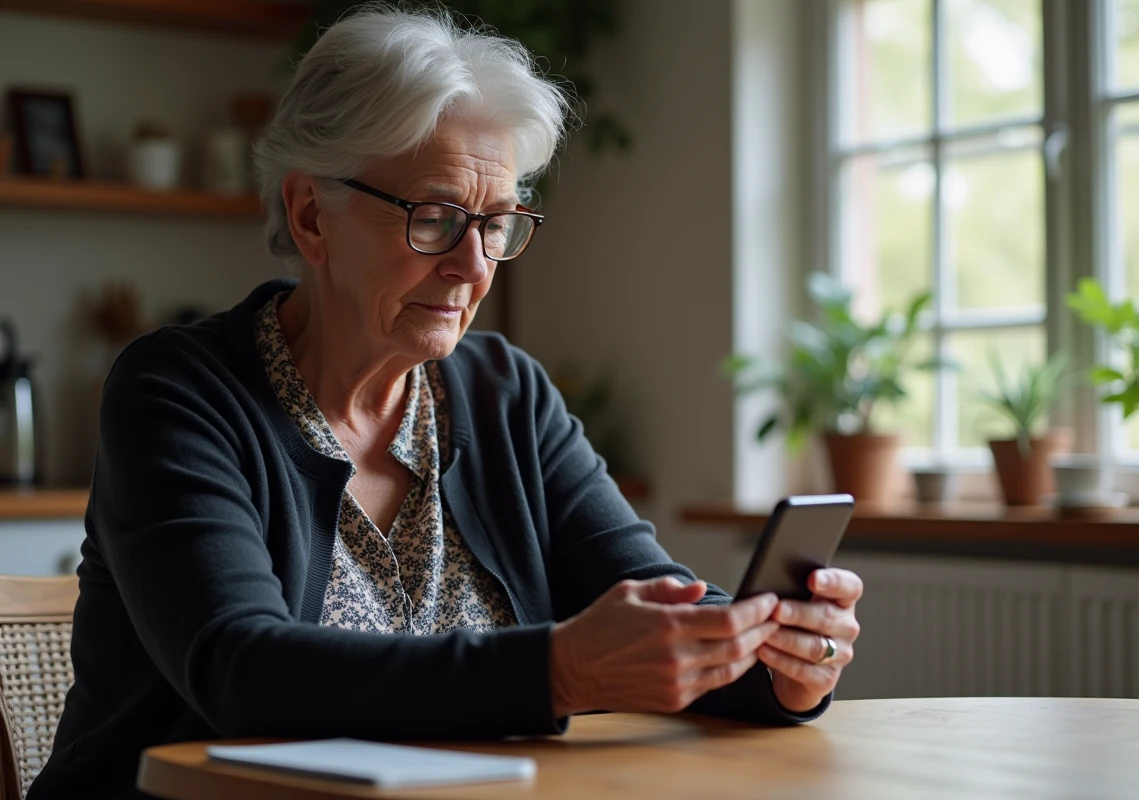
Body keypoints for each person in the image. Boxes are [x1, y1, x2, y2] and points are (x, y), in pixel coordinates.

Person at [29, 7, 862, 798]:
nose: (473, 266)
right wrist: (562, 669)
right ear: (311, 214)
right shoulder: (177, 392)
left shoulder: (508, 396)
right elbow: (244, 671)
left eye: (496, 223)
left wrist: (775, 662)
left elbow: (649, 604)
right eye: (434, 218)